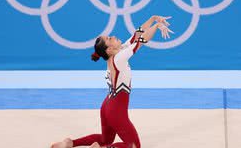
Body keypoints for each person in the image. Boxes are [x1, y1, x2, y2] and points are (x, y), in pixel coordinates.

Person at [51, 15, 173, 148]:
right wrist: (156, 26)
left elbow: (136, 35)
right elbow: (141, 41)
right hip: (116, 111)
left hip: (107, 106)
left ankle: (71, 143)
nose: (113, 36)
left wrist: (153, 19)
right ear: (109, 49)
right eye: (109, 39)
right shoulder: (119, 58)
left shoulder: (117, 54)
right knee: (133, 146)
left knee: (105, 139)